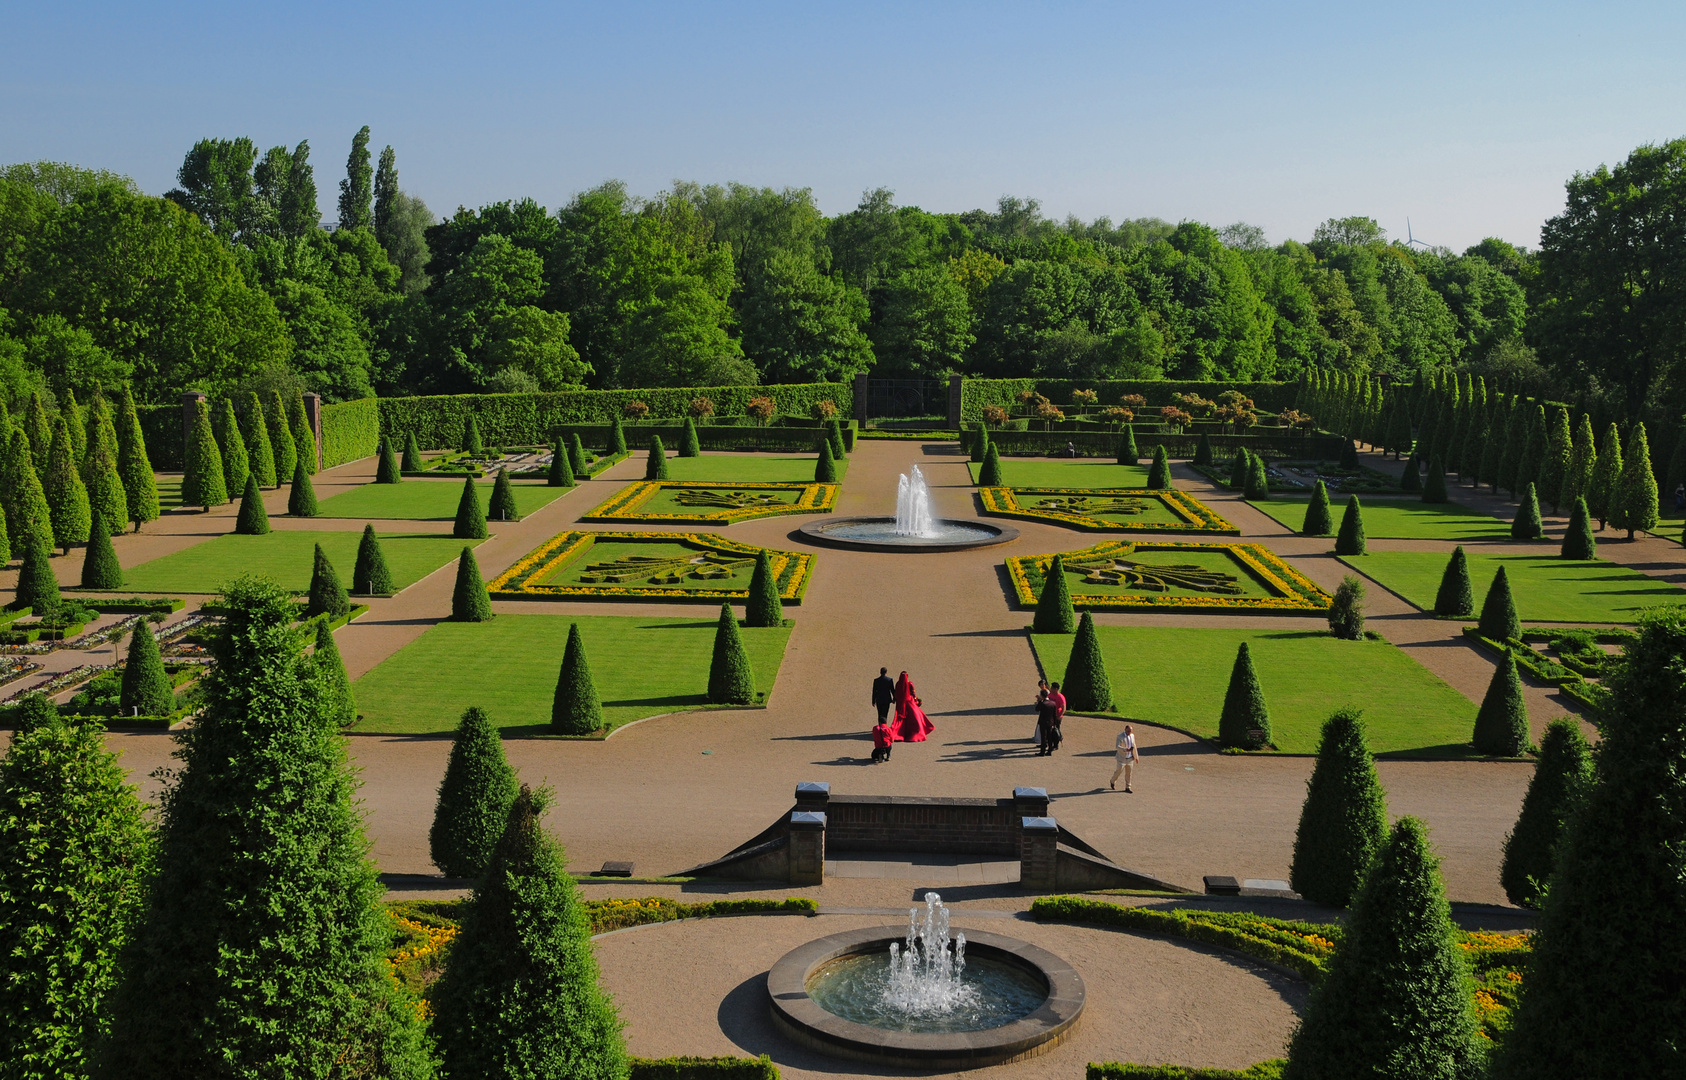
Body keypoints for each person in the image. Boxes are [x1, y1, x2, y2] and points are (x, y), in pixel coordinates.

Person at [894, 671, 934, 742]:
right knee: (916, 717)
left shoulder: (898, 684)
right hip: (910, 702)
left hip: (901, 704)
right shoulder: (910, 684)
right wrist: (917, 701)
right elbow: (913, 693)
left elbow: (896, 693)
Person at [1039, 681, 1066, 755]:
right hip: (1050, 716)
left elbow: (1064, 708)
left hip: (1057, 716)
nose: (1051, 689)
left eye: (1052, 688)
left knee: (1055, 731)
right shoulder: (1050, 694)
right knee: (1048, 731)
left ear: (1056, 689)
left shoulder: (1060, 697)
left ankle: (1056, 744)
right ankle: (1047, 743)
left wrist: (1058, 716)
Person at [1111, 724, 1137, 792]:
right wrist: (1125, 749)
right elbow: (1117, 746)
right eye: (1128, 731)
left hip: (1130, 758)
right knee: (1118, 771)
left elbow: (1134, 745)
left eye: (1130, 731)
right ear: (1125, 730)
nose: (1129, 733)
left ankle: (1128, 787)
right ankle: (1112, 781)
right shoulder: (1120, 736)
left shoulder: (1132, 736)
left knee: (1129, 773)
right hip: (1122, 758)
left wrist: (1136, 756)